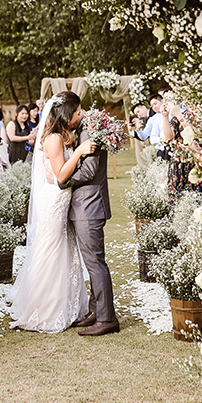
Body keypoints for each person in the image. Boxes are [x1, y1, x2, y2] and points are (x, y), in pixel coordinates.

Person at [8, 93, 94, 333]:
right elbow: (60, 175)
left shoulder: (59, 136)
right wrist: (79, 152)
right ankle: (44, 310)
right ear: (66, 113)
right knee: (51, 251)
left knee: (64, 251)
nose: (82, 114)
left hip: (59, 200)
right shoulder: (54, 139)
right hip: (54, 202)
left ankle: (66, 305)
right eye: (78, 111)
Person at [59, 93, 119, 336]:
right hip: (87, 205)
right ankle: (96, 310)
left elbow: (91, 169)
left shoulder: (88, 131)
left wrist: (65, 180)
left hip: (89, 205)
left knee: (95, 263)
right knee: (92, 262)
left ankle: (107, 319)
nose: (76, 118)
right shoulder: (86, 127)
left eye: (73, 114)